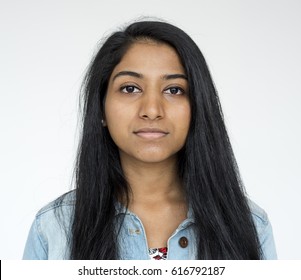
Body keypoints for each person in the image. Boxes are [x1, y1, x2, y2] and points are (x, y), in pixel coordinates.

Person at [23, 20, 277, 260]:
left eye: (174, 90)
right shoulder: (52, 227)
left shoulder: (250, 224)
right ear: (101, 109)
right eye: (130, 88)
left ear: (198, 106)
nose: (152, 110)